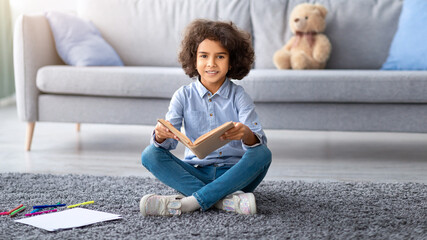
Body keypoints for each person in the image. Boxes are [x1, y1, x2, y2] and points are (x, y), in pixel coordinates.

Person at [140, 19, 272, 216]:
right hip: (196, 172)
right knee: (150, 154)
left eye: (220, 56)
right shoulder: (182, 95)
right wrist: (161, 136)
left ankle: (188, 203)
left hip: (235, 175)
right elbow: (166, 146)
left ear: (231, 61)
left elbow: (257, 142)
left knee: (263, 153)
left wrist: (246, 134)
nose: (211, 63)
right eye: (204, 56)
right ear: (194, 59)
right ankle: (225, 201)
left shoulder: (239, 96)